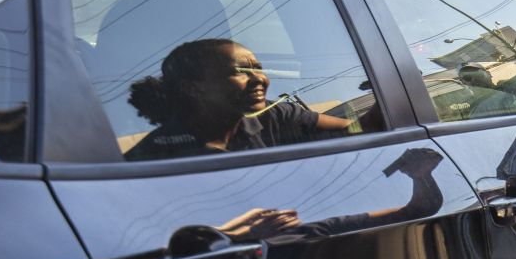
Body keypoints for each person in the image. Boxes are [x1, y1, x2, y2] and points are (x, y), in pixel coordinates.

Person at [125, 38, 351, 161]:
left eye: (259, 69)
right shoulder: (154, 156)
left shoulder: (276, 116)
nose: (259, 79)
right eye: (239, 71)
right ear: (193, 88)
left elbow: (358, 129)